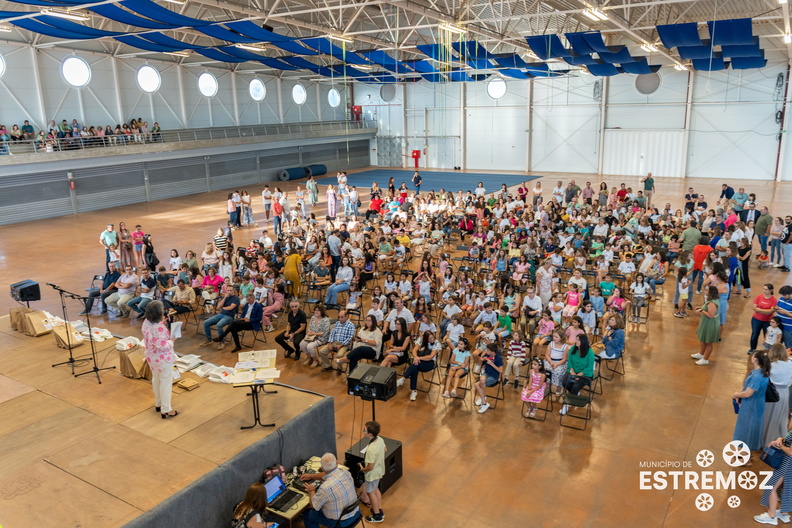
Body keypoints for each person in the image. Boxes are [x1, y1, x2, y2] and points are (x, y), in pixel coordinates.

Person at [300, 453, 360, 528]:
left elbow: (314, 505)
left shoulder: (325, 488)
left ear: (322, 468)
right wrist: (311, 476)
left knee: (307, 514)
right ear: (337, 463)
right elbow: (328, 474)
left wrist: (311, 491)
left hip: (340, 523)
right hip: (355, 513)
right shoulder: (346, 472)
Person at [141, 301, 178, 418]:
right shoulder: (159, 328)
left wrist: (161, 323)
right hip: (163, 358)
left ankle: (159, 403)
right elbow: (162, 345)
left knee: (156, 379)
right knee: (165, 383)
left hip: (152, 356)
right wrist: (171, 341)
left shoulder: (146, 322)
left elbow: (153, 337)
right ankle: (166, 409)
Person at [733, 351, 771, 455]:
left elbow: (748, 394)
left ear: (755, 359)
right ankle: (747, 455)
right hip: (755, 404)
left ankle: (744, 457)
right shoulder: (759, 372)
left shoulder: (757, 376)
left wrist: (737, 394)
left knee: (747, 429)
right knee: (749, 427)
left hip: (751, 406)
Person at [755, 422, 792, 525]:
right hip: (788, 464)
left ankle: (771, 516)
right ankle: (784, 514)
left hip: (787, 463)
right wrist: (781, 440)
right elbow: (789, 434)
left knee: (771, 486)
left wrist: (779, 446)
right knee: (787, 488)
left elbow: (790, 452)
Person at [396, 330, 439, 401]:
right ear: (425, 339)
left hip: (429, 363)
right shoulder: (421, 341)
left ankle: (403, 379)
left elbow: (431, 356)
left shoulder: (436, 343)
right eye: (429, 338)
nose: (432, 340)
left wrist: (418, 358)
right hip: (419, 361)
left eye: (432, 338)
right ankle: (413, 391)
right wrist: (416, 357)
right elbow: (414, 350)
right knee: (415, 367)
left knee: (415, 365)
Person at [764, 343, 792, 448]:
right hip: (784, 392)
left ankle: (763, 440)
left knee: (767, 416)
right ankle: (776, 441)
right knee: (780, 417)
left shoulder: (769, 365)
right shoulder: (790, 364)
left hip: (770, 392)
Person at [560, 333, 595, 416]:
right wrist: (572, 371)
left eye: (578, 340)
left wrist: (579, 374)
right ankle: (574, 394)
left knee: (575, 386)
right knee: (565, 382)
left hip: (585, 374)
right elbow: (570, 361)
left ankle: (567, 405)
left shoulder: (590, 352)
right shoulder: (572, 349)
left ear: (583, 341)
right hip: (573, 371)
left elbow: (589, 367)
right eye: (576, 339)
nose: (576, 341)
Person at [358, 421, 386, 523]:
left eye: (364, 430)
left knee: (370, 493)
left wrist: (362, 469)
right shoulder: (380, 439)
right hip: (379, 471)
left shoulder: (370, 449)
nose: (363, 430)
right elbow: (385, 450)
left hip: (372, 474)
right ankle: (378, 508)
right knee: (376, 489)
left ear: (369, 434)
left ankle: (377, 515)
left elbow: (370, 467)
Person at [691, 286, 720, 366]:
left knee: (708, 342)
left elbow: (711, 315)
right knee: (703, 339)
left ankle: (705, 359)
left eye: (707, 290)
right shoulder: (710, 301)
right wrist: (701, 307)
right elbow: (707, 308)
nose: (705, 290)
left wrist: (701, 310)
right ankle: (701, 354)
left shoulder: (712, 303)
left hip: (710, 324)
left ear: (710, 293)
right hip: (706, 323)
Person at [749, 284, 779, 355]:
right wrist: (765, 311)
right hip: (756, 319)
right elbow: (754, 308)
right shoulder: (758, 297)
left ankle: (766, 350)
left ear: (771, 290)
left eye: (766, 289)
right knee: (754, 334)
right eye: (763, 289)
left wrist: (759, 310)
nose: (764, 291)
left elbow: (770, 312)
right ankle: (752, 348)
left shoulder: (774, 300)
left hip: (768, 321)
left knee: (767, 336)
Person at [474, 343, 503, 413]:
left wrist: (491, 364)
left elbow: (501, 371)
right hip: (486, 373)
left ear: (493, 351)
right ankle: (484, 401)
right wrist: (482, 359)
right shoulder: (487, 355)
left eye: (488, 350)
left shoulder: (498, 358)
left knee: (477, 384)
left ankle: (483, 399)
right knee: (482, 379)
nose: (487, 352)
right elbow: (482, 362)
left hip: (494, 377)